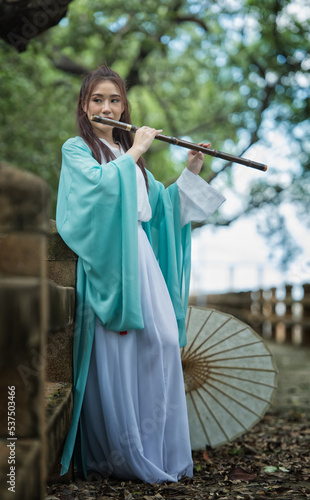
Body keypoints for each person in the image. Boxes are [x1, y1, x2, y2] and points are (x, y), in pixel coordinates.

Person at [56, 65, 225, 484]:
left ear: (124, 104)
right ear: (84, 104)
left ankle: (156, 451)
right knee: (119, 354)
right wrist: (133, 153)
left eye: (114, 100)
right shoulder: (77, 150)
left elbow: (162, 211)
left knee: (164, 342)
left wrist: (192, 170)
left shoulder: (134, 161)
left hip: (143, 261)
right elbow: (93, 194)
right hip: (109, 265)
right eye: (98, 99)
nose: (107, 107)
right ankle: (119, 455)